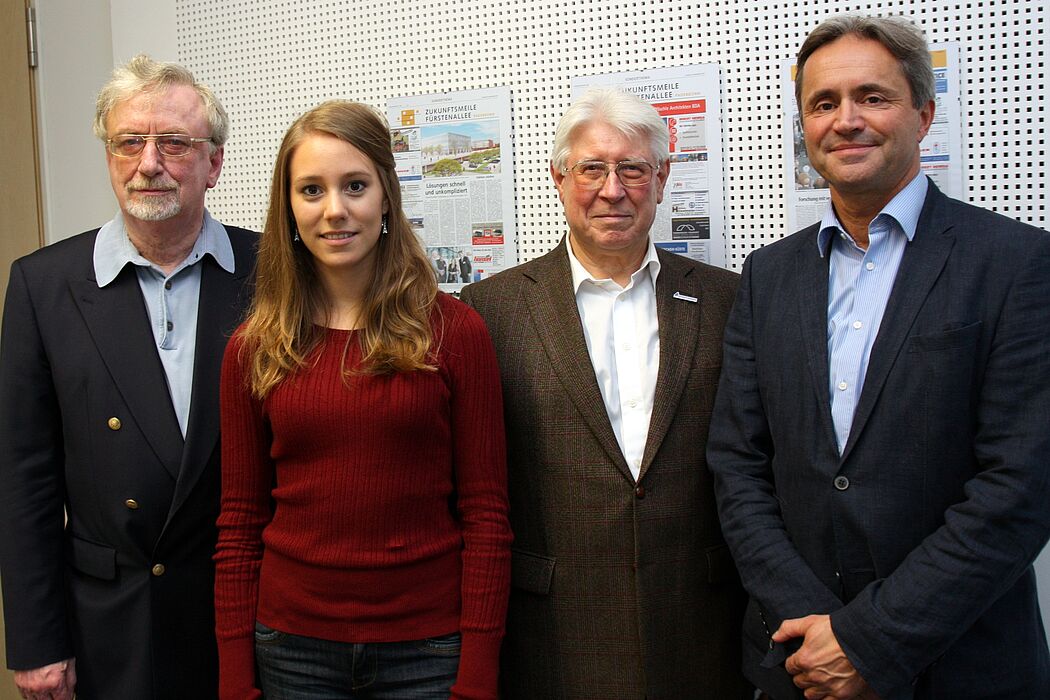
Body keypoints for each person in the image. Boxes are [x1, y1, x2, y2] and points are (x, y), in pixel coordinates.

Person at [707, 14, 1050, 700]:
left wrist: (870, 642)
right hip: (798, 662)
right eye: (824, 103)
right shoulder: (768, 276)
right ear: (804, 127)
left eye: (873, 97)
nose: (846, 120)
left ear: (923, 115)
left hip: (960, 666)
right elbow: (738, 465)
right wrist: (818, 631)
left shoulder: (1017, 264)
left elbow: (1020, 487)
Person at [214, 100, 511, 700]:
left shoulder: (455, 334)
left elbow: (487, 517)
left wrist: (478, 673)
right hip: (291, 649)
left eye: (355, 186)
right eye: (311, 190)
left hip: (428, 651)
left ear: (386, 198)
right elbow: (239, 525)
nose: (335, 211)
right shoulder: (254, 348)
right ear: (289, 208)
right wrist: (235, 680)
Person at [460, 88, 750, 699]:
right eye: (591, 168)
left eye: (633, 169)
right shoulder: (493, 309)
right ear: (559, 179)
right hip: (552, 628)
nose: (612, 189)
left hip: (698, 624)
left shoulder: (728, 301)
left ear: (663, 178)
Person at [0, 56, 256, 699]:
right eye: (128, 143)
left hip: (244, 615)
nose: (149, 163)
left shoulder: (273, 272)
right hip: (106, 623)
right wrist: (36, 642)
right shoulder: (43, 284)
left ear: (214, 163)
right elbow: (23, 476)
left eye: (174, 143)